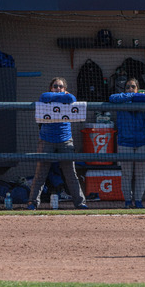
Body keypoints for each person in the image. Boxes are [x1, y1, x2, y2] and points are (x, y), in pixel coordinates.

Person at [27, 77, 88, 210]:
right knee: (40, 174)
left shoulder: (66, 97)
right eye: (55, 86)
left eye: (61, 87)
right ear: (51, 88)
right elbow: (43, 97)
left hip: (65, 140)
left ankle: (80, 202)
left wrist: (58, 97)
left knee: (71, 174)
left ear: (65, 89)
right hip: (46, 140)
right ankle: (33, 202)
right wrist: (60, 96)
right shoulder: (46, 96)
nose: (58, 88)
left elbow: (72, 98)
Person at [109, 78, 145, 209]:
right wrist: (135, 96)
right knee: (126, 174)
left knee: (140, 174)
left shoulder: (144, 102)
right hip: (125, 142)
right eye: (128, 87)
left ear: (138, 89)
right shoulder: (120, 99)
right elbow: (112, 98)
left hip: (142, 141)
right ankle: (127, 201)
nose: (130, 89)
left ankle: (138, 201)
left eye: (133, 87)